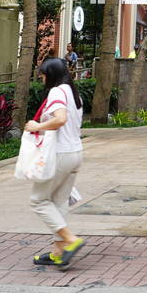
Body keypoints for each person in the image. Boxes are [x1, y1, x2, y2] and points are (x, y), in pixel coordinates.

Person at [25, 57, 86, 267]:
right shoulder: (73, 93)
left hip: (59, 155)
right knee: (59, 201)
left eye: (42, 74)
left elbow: (60, 119)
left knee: (38, 200)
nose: (41, 78)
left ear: (50, 75)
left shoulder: (57, 92)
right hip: (75, 154)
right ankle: (57, 252)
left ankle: (71, 240)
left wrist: (36, 127)